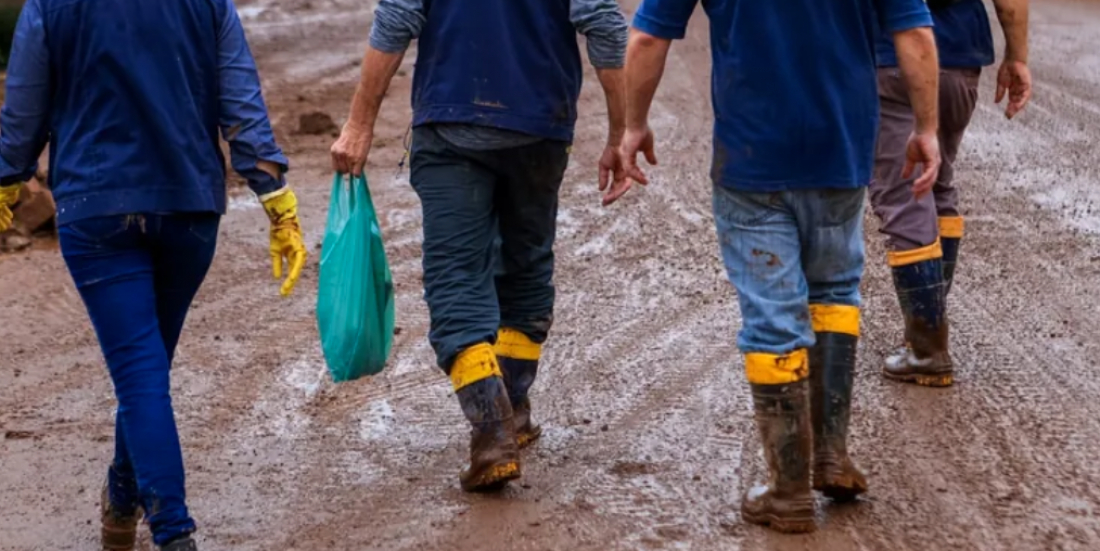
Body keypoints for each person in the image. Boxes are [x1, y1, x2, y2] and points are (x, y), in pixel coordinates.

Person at [620, 0, 942, 533]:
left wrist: (633, 125)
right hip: (840, 151)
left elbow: (649, 38)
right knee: (836, 293)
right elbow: (916, 35)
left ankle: (788, 490)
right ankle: (829, 456)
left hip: (753, 159)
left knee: (774, 315)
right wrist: (926, 127)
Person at [0, 1, 307, 549]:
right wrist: (274, 195)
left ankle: (172, 533)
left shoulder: (49, 5)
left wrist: (6, 178)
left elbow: (24, 110)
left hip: (96, 213)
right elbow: (240, 101)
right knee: (147, 372)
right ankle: (121, 496)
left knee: (142, 377)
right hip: (188, 210)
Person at [330, 0, 628, 492]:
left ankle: (493, 431)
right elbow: (603, 22)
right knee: (527, 267)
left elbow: (398, 17)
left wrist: (360, 123)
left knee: (455, 277)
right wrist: (620, 131)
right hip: (540, 127)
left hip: (453, 125)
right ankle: (512, 411)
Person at [872, 0, 1032, 387]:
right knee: (937, 183)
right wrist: (1016, 57)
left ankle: (927, 349)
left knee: (907, 192)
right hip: (959, 60)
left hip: (890, 55)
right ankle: (925, 328)